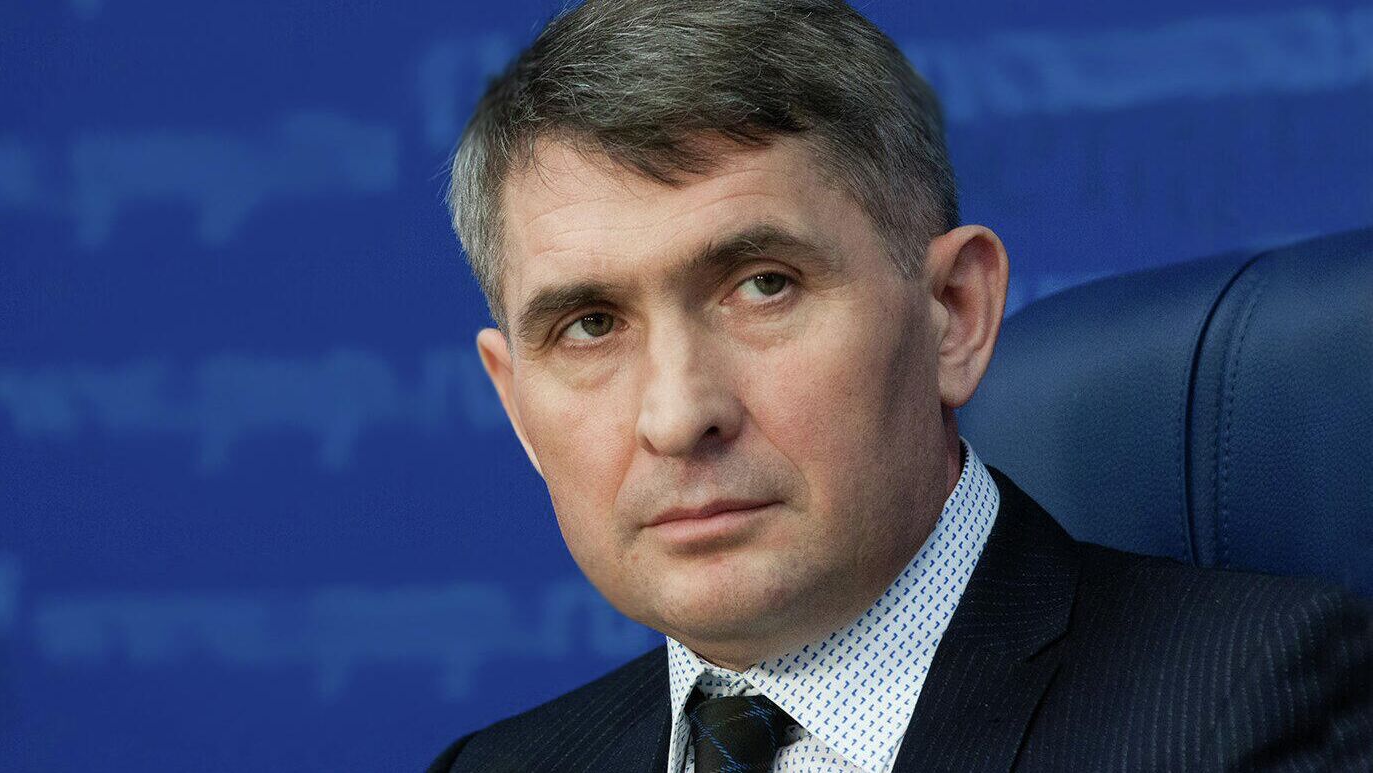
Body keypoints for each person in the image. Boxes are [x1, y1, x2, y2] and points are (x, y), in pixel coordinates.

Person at [426, 1, 1373, 770]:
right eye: (590, 325)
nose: (677, 416)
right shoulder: (495, 766)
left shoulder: (1241, 708)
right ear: (516, 406)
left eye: (763, 285)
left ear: (952, 312)